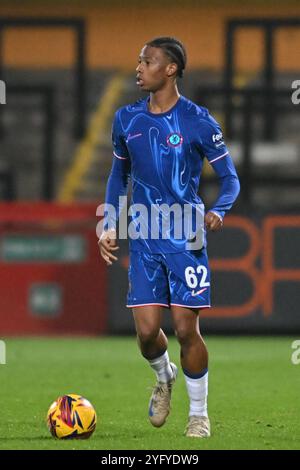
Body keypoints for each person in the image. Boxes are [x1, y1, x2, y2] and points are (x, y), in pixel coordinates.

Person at [99, 37, 240, 438]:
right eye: (139, 59)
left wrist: (218, 210)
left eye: (147, 61)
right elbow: (117, 176)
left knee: (184, 328)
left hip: (185, 236)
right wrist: (109, 223)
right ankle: (165, 376)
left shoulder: (198, 121)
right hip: (143, 234)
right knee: (146, 333)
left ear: (171, 69)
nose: (139, 67)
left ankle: (199, 414)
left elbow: (230, 180)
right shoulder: (126, 119)